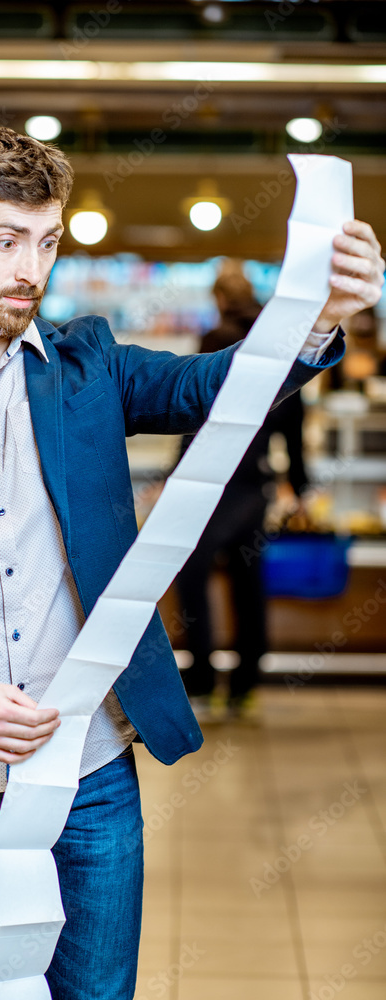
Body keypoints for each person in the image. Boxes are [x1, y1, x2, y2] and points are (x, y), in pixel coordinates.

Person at [0, 127, 384, 1000]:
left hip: (87, 776)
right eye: (6, 240)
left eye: (46, 243)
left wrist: (313, 317)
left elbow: (213, 386)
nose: (29, 270)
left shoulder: (89, 368)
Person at [175, 261, 309, 720]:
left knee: (194, 579)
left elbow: (192, 413)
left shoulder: (216, 344)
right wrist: (301, 485)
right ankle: (246, 687)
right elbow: (294, 422)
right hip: (257, 485)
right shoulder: (280, 348)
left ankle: (204, 682)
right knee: (248, 583)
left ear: (218, 299)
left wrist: (179, 477)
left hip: (214, 485)